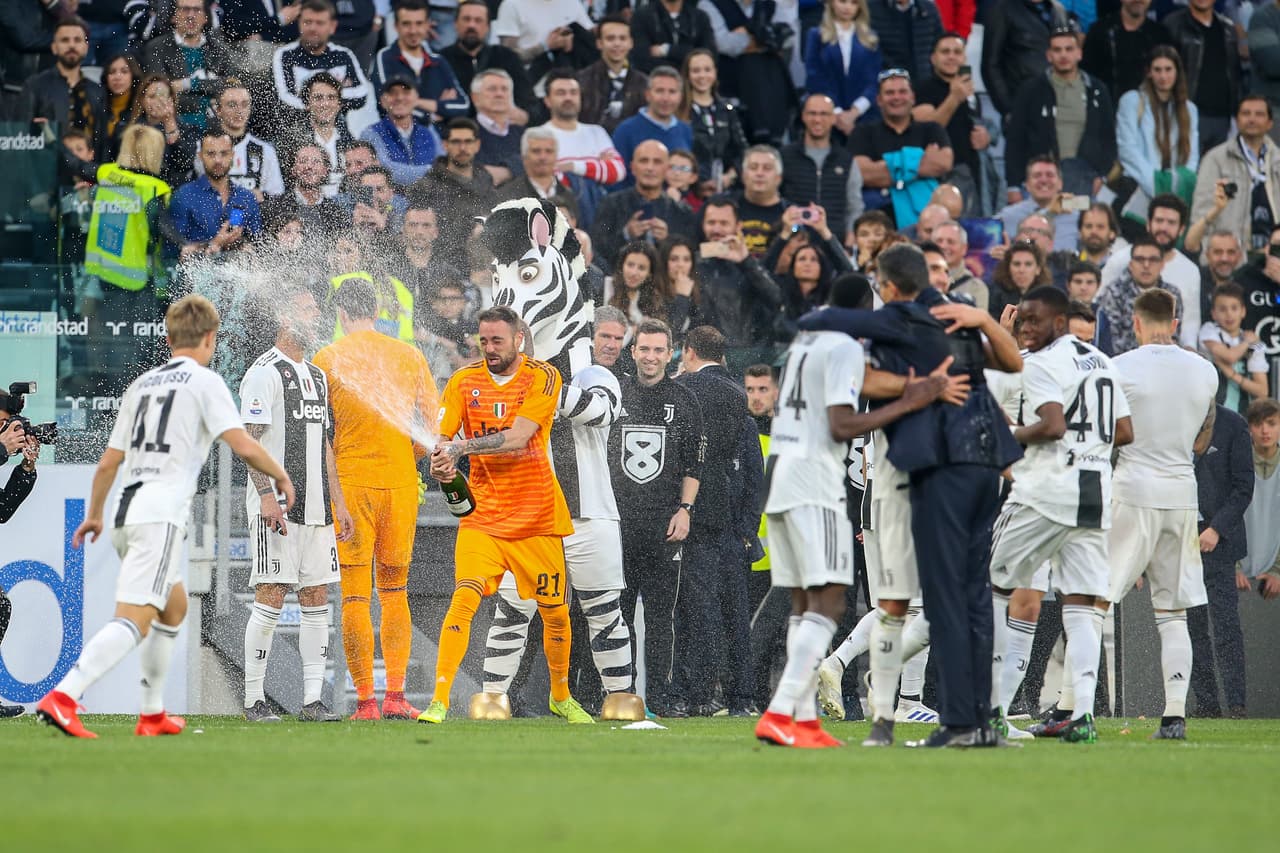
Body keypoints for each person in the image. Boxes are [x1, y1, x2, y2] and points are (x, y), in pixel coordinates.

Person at [36, 295, 295, 739]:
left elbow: (107, 464)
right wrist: (282, 477)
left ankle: (152, 712)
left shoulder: (142, 385)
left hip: (125, 510)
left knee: (173, 608)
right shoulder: (206, 382)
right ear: (211, 339)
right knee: (135, 618)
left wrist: (95, 514)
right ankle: (64, 695)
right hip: (158, 515)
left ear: (170, 337)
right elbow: (245, 445)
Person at [797, 244, 1024, 748]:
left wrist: (923, 383)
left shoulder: (915, 321)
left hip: (931, 474)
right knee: (928, 602)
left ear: (892, 286)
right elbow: (1007, 363)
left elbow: (822, 333)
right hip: (939, 474)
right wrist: (930, 377)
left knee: (930, 602)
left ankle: (950, 718)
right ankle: (921, 718)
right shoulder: (938, 321)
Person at [419, 306, 592, 725]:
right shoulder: (463, 381)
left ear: (519, 339)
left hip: (537, 517)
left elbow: (517, 438)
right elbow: (441, 442)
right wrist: (440, 463)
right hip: (484, 516)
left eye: (498, 341)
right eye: (484, 341)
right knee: (464, 598)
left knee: (556, 612)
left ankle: (561, 696)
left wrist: (459, 450)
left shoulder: (543, 377)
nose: (490, 348)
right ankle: (439, 701)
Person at [986, 287, 1133, 746]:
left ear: (1060, 321)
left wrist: (1011, 434)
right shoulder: (1104, 362)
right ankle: (1083, 715)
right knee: (1082, 604)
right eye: (1022, 319)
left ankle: (988, 711)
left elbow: (1051, 426)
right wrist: (1089, 449)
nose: (1026, 327)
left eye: (1035, 319)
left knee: (992, 585)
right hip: (1094, 495)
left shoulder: (1042, 363)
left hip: (1046, 494)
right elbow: (1125, 432)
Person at [1086, 289, 1219, 742]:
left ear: (1135, 321)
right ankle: (1174, 716)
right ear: (1176, 321)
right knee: (1173, 613)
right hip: (1183, 493)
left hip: (1133, 488)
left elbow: (1106, 436)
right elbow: (1203, 440)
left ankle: (1076, 708)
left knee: (1095, 600)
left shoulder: (1118, 366)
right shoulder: (1205, 371)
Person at [313, 279, 440, 721]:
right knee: (395, 590)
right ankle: (397, 696)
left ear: (342, 315)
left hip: (351, 486)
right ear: (379, 310)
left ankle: (365, 700)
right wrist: (407, 458)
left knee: (354, 598)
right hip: (400, 484)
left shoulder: (327, 359)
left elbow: (318, 434)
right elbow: (433, 425)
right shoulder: (410, 355)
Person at [239, 289, 354, 723]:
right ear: (285, 315)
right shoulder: (264, 372)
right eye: (307, 309)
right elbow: (247, 439)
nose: (316, 315)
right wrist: (266, 494)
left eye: (317, 308)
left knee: (316, 596)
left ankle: (312, 701)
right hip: (279, 509)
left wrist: (337, 499)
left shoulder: (318, 376)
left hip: (318, 509)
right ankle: (253, 700)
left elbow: (325, 443)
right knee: (271, 593)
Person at [609, 318, 703, 715]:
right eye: (643, 349)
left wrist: (685, 510)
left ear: (670, 353)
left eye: (658, 350)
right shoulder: (615, 394)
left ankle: (661, 700)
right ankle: (621, 694)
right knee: (619, 614)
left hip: (664, 524)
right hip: (617, 524)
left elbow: (694, 464)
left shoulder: (684, 400)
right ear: (633, 352)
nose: (650, 357)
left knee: (663, 618)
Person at [676, 326, 754, 716]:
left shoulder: (684, 388)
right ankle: (720, 691)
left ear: (689, 351)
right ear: (722, 357)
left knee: (688, 605)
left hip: (682, 505)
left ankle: (691, 691)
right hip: (721, 509)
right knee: (722, 607)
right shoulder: (739, 396)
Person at [1188, 403, 1253, 719]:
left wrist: (1216, 528)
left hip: (1219, 542)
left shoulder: (1233, 424)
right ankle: (1206, 703)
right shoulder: (1172, 419)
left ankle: (1236, 703)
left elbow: (1244, 486)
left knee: (1226, 624)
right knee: (1192, 625)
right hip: (1183, 539)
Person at [1004, 27, 1116, 199]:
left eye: (1069, 49)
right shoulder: (1030, 90)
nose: (1063, 55)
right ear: (1049, 55)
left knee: (1075, 223)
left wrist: (1102, 176)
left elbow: (1108, 138)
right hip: (1039, 181)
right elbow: (1015, 139)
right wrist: (1013, 186)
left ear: (1079, 53)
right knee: (1040, 224)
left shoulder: (1098, 90)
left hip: (1082, 182)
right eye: (1057, 50)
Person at [850, 69, 952, 230]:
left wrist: (887, 166)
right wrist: (919, 161)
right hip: (878, 222)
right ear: (879, 100)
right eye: (890, 93)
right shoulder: (863, 132)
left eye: (902, 92)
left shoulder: (932, 129)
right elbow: (863, 173)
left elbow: (942, 163)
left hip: (928, 224)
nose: (897, 97)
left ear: (913, 97)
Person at [1101, 194, 1201, 348]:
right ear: (1148, 224)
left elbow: (1190, 322)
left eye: (1171, 223)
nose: (1164, 228)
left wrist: (1189, 352)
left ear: (1181, 229)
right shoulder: (1120, 260)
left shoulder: (1190, 271)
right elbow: (1101, 306)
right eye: (1159, 221)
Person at [696, 197, 784, 362]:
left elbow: (777, 299)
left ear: (738, 226)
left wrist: (745, 261)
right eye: (711, 222)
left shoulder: (749, 265)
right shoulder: (691, 263)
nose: (716, 229)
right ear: (703, 225)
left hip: (746, 356)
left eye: (724, 223)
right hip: (703, 357)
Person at [912, 32, 991, 215]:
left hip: (970, 173)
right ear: (933, 58)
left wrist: (985, 136)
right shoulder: (922, 90)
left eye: (957, 52)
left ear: (964, 58)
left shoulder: (970, 92)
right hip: (936, 175)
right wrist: (954, 97)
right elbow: (928, 130)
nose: (951, 56)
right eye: (945, 51)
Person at [1190, 97, 1280, 256]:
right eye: (1246, 113)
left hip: (1273, 257)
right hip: (1230, 258)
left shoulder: (1277, 160)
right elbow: (1201, 214)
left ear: (1270, 123)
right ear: (1237, 120)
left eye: (1259, 114)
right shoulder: (1215, 158)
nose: (1252, 119)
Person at [1115, 46, 1199, 213]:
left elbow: (1192, 157)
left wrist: (1177, 186)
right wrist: (1156, 184)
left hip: (1176, 193)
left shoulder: (1189, 109)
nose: (1163, 76)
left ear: (1177, 72)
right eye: (1157, 70)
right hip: (1138, 187)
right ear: (1149, 73)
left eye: (1168, 69)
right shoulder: (1132, 101)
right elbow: (1127, 149)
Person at [591, 140, 696, 272]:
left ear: (667, 169)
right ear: (632, 167)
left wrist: (667, 241)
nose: (650, 168)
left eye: (657, 162)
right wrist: (626, 235)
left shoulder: (682, 212)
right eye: (643, 161)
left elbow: (692, 256)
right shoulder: (610, 204)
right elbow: (598, 250)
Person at [407, 117, 495, 270]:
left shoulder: (485, 181)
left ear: (477, 145)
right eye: (456, 142)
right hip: (441, 265)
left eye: (468, 141)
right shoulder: (427, 186)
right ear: (445, 145)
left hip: (483, 265)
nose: (462, 147)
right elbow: (416, 230)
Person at [271, 0, 372, 131]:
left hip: (338, 131)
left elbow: (361, 95)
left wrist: (313, 99)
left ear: (332, 26)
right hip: (298, 132)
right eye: (307, 22)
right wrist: (335, 97)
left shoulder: (343, 55)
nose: (313, 28)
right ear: (299, 23)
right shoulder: (284, 55)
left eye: (320, 23)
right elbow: (284, 101)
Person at [780, 94, 865, 246]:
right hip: (794, 243)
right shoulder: (784, 156)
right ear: (803, 116)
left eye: (824, 114)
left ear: (833, 118)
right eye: (812, 113)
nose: (817, 119)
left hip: (834, 242)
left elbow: (854, 207)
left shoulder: (846, 160)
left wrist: (850, 242)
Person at [168, 127, 263, 259]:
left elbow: (258, 245)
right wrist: (215, 244)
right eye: (211, 153)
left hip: (239, 276)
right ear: (200, 156)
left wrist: (242, 245)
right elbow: (173, 252)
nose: (218, 160)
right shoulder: (184, 196)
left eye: (224, 153)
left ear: (233, 155)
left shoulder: (246, 198)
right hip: (198, 278)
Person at [370, 0, 470, 125]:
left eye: (419, 23)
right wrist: (434, 113)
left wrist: (416, 103)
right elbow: (386, 104)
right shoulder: (385, 57)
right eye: (406, 24)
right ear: (396, 26)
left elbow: (463, 106)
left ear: (428, 25)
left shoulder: (438, 61)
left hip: (438, 141)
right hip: (397, 139)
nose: (413, 30)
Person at [20, 17, 107, 156]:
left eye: (77, 40)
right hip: (45, 168)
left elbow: (102, 141)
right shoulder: (34, 86)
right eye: (65, 40)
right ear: (54, 47)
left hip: (87, 173)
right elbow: (20, 135)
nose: (71, 45)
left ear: (86, 47)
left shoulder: (97, 91)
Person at [1164, 0, 1241, 153]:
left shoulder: (1228, 28)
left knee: (1219, 174)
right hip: (1188, 114)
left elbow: (1234, 73)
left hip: (1223, 117)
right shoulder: (1173, 25)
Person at [441, 1, 537, 125]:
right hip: (456, 133)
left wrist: (526, 116)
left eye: (478, 20)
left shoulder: (507, 57)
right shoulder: (441, 60)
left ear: (488, 27)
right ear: (455, 24)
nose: (472, 25)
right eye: (466, 19)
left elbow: (529, 102)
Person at [142, 0, 231, 131]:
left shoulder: (218, 49)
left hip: (216, 130)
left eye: (197, 10)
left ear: (206, 17)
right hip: (174, 128)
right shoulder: (156, 48)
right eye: (185, 9)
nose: (191, 15)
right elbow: (160, 95)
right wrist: (209, 96)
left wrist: (187, 84)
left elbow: (229, 85)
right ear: (173, 16)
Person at [1097, 233, 1185, 356]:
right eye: (1140, 259)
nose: (1146, 265)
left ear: (1162, 265)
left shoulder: (1172, 294)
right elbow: (1111, 339)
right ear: (1131, 265)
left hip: (1163, 361)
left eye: (1153, 260)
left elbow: (1173, 337)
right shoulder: (1114, 291)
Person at [538, 69, 628, 188]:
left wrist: (572, 166)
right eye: (561, 93)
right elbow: (548, 180)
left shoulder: (597, 132)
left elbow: (618, 171)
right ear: (547, 101)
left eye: (573, 92)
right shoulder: (538, 136)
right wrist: (597, 166)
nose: (568, 98)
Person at [804, 0, 882, 135]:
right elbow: (815, 77)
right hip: (827, 116)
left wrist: (854, 112)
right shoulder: (816, 35)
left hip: (865, 115)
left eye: (854, 3)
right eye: (843, 1)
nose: (848, 7)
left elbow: (874, 80)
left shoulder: (870, 38)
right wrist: (837, 113)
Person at [980, 0, 1070, 117]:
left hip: (1058, 107)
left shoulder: (1059, 10)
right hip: (1021, 106)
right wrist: (1008, 109)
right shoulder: (1003, 9)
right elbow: (990, 64)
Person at [202, 80, 285, 200]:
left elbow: (277, 197)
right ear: (218, 110)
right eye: (232, 105)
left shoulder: (265, 150)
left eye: (245, 104)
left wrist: (263, 197)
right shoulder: (204, 148)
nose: (239, 111)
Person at [679, 48, 748, 190]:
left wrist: (730, 176)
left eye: (707, 70)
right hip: (690, 187)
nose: (702, 75)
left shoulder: (727, 109)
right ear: (687, 75)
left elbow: (742, 150)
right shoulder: (679, 110)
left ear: (715, 73)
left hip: (726, 186)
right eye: (696, 71)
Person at [360, 74, 443, 188]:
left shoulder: (429, 131)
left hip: (432, 198)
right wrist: (432, 172)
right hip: (391, 202)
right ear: (383, 101)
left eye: (406, 92)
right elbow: (384, 169)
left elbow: (445, 166)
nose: (399, 98)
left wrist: (439, 174)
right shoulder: (371, 133)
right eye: (392, 93)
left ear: (416, 98)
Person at [611, 66, 694, 181]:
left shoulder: (686, 130)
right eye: (660, 91)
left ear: (680, 97)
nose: (666, 98)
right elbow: (617, 178)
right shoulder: (626, 130)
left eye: (672, 92)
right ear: (648, 95)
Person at [1200, 283, 1270, 413]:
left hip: (1243, 415)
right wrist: (1246, 343)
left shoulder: (1255, 344)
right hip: (1212, 413)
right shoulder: (1209, 330)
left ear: (1243, 311)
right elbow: (1230, 357)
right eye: (1223, 309)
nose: (1229, 314)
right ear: (1214, 314)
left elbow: (1262, 391)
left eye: (1234, 308)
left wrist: (1231, 374)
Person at [1082, 0, 1172, 100]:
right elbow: (1087, 77)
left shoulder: (1161, 35)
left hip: (1151, 109)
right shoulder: (1099, 32)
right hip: (1108, 108)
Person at [576, 13, 648, 135]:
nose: (617, 44)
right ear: (599, 43)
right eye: (610, 38)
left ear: (631, 43)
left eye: (622, 38)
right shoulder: (580, 80)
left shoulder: (644, 83)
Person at [1240, 399, 1280, 600]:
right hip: (1238, 571)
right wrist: (1232, 566)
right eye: (1258, 424)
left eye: (1271, 423)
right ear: (1249, 428)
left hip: (1274, 573)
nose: (1265, 431)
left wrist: (1277, 570)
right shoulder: (1237, 463)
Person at [999, 157, 1080, 251]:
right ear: (1027, 185)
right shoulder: (1009, 215)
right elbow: (1028, 242)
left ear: (1060, 184)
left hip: (1067, 264)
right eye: (1037, 176)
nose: (1044, 180)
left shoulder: (1076, 214)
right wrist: (1049, 212)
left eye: (1050, 175)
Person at [630, 0, 716, 75]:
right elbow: (641, 58)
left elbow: (709, 55)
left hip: (692, 83)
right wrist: (689, 57)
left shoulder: (700, 17)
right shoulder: (642, 16)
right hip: (656, 82)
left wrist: (666, 50)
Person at [865, 0, 942, 82]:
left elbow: (939, 45)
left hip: (924, 82)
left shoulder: (929, 8)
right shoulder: (871, 8)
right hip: (887, 82)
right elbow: (869, 50)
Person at [933, 219, 988, 310]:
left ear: (964, 248)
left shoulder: (976, 288)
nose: (944, 246)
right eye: (939, 241)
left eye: (951, 242)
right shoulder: (919, 280)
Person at [988, 240, 1050, 321]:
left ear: (1038, 269)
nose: (1021, 270)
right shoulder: (994, 294)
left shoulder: (1047, 296)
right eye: (1016, 264)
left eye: (1028, 264)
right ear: (1008, 268)